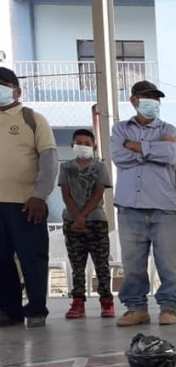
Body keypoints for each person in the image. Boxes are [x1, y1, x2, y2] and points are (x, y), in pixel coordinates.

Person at [111, 80, 176, 327]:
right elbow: (119, 156)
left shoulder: (169, 129)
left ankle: (169, 307)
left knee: (169, 263)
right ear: (134, 101)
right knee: (133, 264)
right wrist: (153, 150)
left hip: (164, 206)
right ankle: (136, 308)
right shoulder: (120, 129)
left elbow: (171, 155)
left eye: (156, 98)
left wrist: (137, 147)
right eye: (147, 97)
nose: (153, 102)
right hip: (129, 206)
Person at [0, 67, 58, 328]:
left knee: (32, 258)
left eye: (3, 84)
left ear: (17, 90)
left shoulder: (33, 119)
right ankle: (9, 310)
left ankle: (36, 309)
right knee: (1, 260)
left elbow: (49, 161)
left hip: (26, 204)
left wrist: (39, 196)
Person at [60, 129, 115, 319]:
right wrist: (76, 217)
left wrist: (83, 216)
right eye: (79, 143)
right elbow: (66, 194)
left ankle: (106, 302)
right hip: (72, 222)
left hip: (96, 221)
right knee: (77, 265)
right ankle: (77, 302)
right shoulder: (66, 167)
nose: (82, 146)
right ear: (72, 145)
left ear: (94, 146)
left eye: (87, 143)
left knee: (101, 265)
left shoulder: (100, 167)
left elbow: (99, 193)